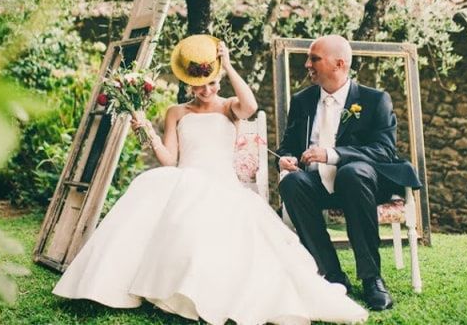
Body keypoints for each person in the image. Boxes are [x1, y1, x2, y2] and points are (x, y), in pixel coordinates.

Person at [53, 34, 368, 325]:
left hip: (222, 184)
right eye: (199, 86)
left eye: (213, 83)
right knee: (149, 189)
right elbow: (169, 159)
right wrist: (147, 130)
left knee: (209, 212)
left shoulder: (229, 107)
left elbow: (251, 106)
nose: (207, 91)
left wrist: (227, 65)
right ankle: (137, 283)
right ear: (189, 84)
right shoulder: (176, 112)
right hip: (186, 176)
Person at [277, 35, 422, 312]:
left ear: (339, 64)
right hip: (316, 184)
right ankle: (331, 273)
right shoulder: (303, 100)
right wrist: (285, 159)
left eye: (315, 58)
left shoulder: (375, 100)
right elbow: (288, 145)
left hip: (360, 185)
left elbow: (383, 151)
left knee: (352, 173)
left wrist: (332, 155)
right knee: (292, 183)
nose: (307, 64)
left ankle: (371, 279)